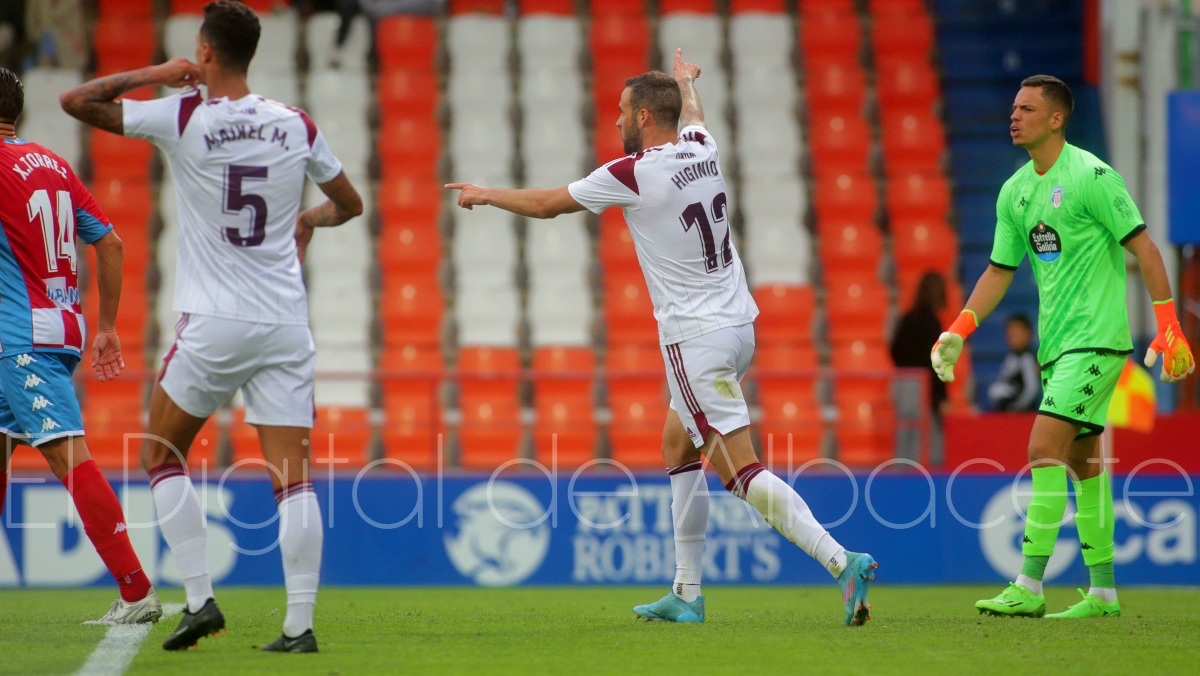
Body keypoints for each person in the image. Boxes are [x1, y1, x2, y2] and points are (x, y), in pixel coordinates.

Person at [446, 49, 878, 626]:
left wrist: (485, 193)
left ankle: (840, 560)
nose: (616, 121)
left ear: (645, 117)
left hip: (694, 337)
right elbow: (694, 112)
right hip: (737, 325)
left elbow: (550, 205)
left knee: (739, 472)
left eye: (623, 111)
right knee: (678, 447)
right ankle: (686, 592)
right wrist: (685, 83)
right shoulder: (702, 148)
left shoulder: (634, 172)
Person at [61, 0, 362, 653]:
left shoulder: (184, 114)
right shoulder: (296, 125)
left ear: (202, 53)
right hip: (285, 319)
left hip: (216, 318)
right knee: (294, 477)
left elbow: (77, 101)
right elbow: (350, 203)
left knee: (159, 455)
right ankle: (299, 626)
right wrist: (308, 221)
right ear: (251, 55)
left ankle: (199, 600)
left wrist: (156, 70)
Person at [931, 75, 1194, 619]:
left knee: (1040, 449)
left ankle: (1028, 583)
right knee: (1083, 463)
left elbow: (1144, 247)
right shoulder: (1015, 191)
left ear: (1056, 119)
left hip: (1096, 343)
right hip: (1058, 348)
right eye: (1013, 107)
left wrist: (1168, 324)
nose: (1014, 116)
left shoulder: (1093, 176)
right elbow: (1000, 272)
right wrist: (959, 329)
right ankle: (1102, 592)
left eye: (1027, 108)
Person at [0, 67, 161, 625]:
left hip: (20, 338)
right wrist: (108, 325)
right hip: (57, 328)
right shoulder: (53, 164)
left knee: (68, 455)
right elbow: (111, 242)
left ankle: (137, 592)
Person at [891, 270, 949, 414]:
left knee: (907, 432)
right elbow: (935, 361)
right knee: (927, 434)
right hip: (924, 388)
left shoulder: (908, 318)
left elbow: (895, 350)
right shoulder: (932, 323)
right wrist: (940, 397)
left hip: (904, 384)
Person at [988, 314, 1041, 412]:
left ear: (1028, 334)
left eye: (1017, 333)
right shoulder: (1010, 358)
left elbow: (1031, 389)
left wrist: (1015, 408)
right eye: (1010, 333)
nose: (1013, 337)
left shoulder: (1027, 359)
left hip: (1023, 412)